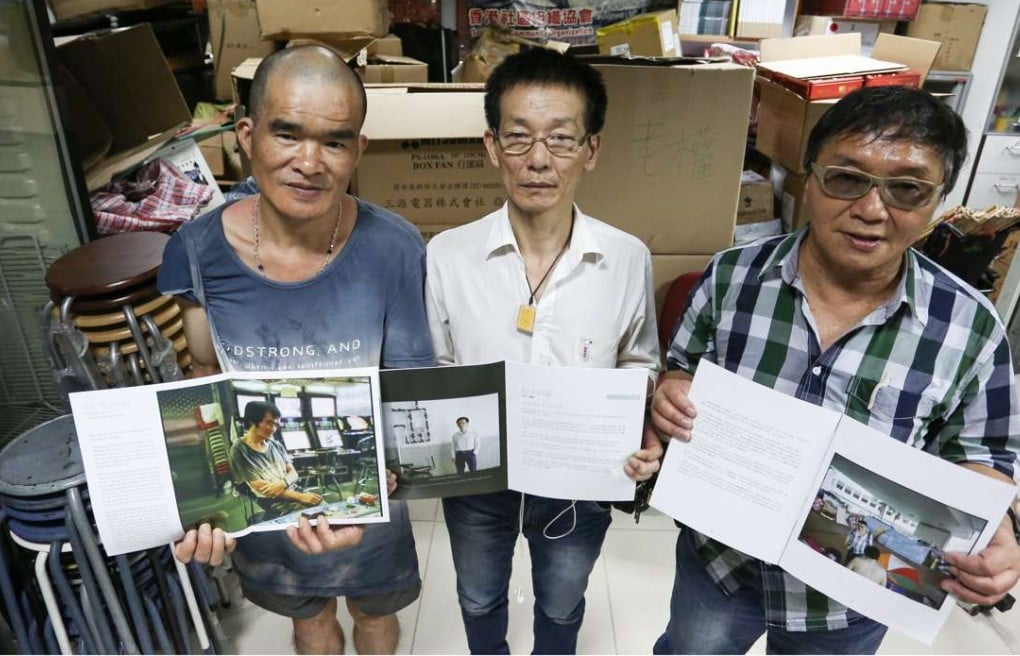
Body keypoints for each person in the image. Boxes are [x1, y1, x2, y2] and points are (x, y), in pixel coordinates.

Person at [651, 85, 1020, 655]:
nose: (872, 210)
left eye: (907, 189)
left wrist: (995, 529)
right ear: (809, 177)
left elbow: (983, 454)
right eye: (847, 178)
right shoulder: (730, 278)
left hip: (850, 596)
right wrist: (672, 392)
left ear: (939, 199)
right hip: (718, 563)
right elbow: (682, 367)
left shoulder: (971, 329)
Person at [157, 44, 435, 654]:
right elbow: (202, 377)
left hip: (367, 498)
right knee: (308, 623)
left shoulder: (394, 247)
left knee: (375, 617)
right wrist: (204, 502)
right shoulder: (196, 251)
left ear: (358, 150)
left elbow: (411, 383)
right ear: (247, 134)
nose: (309, 162)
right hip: (266, 498)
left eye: (334, 141)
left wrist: (377, 485)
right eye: (287, 134)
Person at [426, 47, 663, 655]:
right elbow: (436, 368)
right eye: (519, 139)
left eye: (560, 140)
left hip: (581, 483)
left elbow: (640, 361)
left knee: (562, 605)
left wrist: (639, 433)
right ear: (490, 146)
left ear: (591, 151)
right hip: (478, 479)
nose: (538, 161)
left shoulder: (626, 256)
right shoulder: (448, 255)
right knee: (478, 598)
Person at [231, 401, 324, 521]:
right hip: (273, 501)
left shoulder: (276, 445)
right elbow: (262, 488)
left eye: (276, 424)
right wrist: (301, 497)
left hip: (294, 490)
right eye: (269, 423)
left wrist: (283, 483)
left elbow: (293, 473)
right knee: (310, 520)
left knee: (325, 510)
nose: (273, 429)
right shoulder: (239, 450)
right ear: (252, 421)